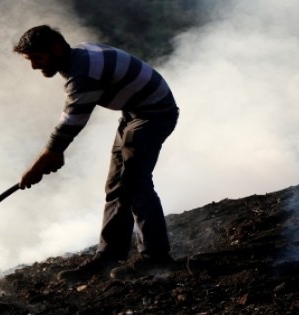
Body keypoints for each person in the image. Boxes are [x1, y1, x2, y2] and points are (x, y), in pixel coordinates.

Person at [14, 25, 179, 281]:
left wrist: (42, 163)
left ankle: (156, 259)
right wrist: (50, 156)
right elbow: (71, 116)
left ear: (56, 48)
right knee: (116, 185)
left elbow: (71, 121)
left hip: (153, 115)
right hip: (134, 113)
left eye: (37, 58)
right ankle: (109, 256)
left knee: (135, 183)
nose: (34, 66)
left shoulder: (83, 71)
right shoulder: (77, 57)